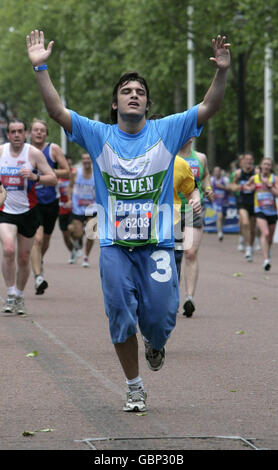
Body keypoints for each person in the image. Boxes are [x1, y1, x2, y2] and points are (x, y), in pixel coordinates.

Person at [26, 29, 230, 412]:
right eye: (126, 91)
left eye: (139, 91)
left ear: (148, 104)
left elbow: (207, 108)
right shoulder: (99, 135)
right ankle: (134, 386)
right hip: (114, 246)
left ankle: (155, 342)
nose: (133, 94)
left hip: (157, 245)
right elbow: (57, 112)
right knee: (120, 314)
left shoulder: (166, 130)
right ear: (115, 104)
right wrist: (42, 69)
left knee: (159, 318)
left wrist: (220, 72)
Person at [0, 119, 57, 315]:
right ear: (8, 135)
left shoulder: (33, 153)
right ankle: (10, 293)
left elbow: (53, 178)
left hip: (28, 210)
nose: (16, 135)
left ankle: (20, 295)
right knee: (8, 248)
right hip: (5, 210)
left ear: (25, 134)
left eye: (20, 131)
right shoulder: (1, 152)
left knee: (24, 258)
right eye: (13, 132)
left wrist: (35, 177)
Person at [174, 138, 214, 317]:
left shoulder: (201, 157)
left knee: (190, 253)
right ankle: (171, 298)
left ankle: (189, 297)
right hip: (172, 209)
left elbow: (205, 176)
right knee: (173, 256)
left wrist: (208, 188)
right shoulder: (169, 155)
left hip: (193, 209)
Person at [29, 118, 69, 294]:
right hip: (31, 201)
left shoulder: (53, 149)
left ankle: (39, 262)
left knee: (44, 241)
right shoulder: (25, 151)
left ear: (46, 133)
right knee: (36, 239)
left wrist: (45, 172)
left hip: (51, 201)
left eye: (42, 130)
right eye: (35, 130)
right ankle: (38, 277)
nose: (38, 133)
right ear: (30, 133)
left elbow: (66, 171)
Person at [245, 157, 278, 271]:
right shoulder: (255, 178)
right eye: (265, 164)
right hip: (259, 209)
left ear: (271, 167)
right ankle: (266, 260)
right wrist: (251, 188)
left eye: (269, 164)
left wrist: (269, 186)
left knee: (270, 238)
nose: (267, 166)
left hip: (272, 211)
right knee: (265, 232)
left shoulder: (274, 179)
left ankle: (266, 252)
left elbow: (277, 194)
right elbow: (246, 187)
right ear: (261, 165)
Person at [67, 152, 97, 268]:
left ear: (91, 160)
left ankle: (86, 257)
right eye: (84, 159)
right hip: (78, 207)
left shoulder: (96, 174)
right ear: (82, 161)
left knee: (91, 234)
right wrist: (69, 199)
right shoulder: (76, 173)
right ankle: (79, 239)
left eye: (88, 158)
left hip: (92, 207)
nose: (86, 161)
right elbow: (70, 186)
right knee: (77, 233)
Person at [230, 152, 256, 261]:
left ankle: (250, 244)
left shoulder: (257, 172)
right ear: (243, 161)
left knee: (253, 227)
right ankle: (248, 249)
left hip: (254, 202)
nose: (248, 162)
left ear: (253, 161)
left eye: (250, 160)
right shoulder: (238, 173)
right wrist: (242, 187)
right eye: (246, 160)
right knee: (244, 222)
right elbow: (232, 186)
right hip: (242, 202)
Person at [57, 154, 77, 263]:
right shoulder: (58, 174)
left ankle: (78, 243)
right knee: (65, 234)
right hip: (62, 208)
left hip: (74, 207)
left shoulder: (75, 173)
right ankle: (72, 251)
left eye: (69, 164)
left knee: (72, 229)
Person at [211, 166, 230, 241]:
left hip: (225, 201)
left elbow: (229, 189)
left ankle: (220, 228)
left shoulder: (225, 179)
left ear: (220, 172)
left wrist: (222, 187)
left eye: (218, 171)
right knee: (219, 216)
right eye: (215, 171)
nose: (216, 173)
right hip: (216, 202)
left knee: (223, 217)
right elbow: (209, 189)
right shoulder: (212, 180)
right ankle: (219, 233)